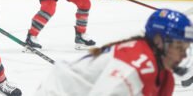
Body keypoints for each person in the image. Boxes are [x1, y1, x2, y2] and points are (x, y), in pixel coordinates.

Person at [35, 8, 193, 95]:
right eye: (179, 47)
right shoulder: (136, 66)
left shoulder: (164, 77)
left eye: (186, 48)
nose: (183, 55)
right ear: (159, 42)